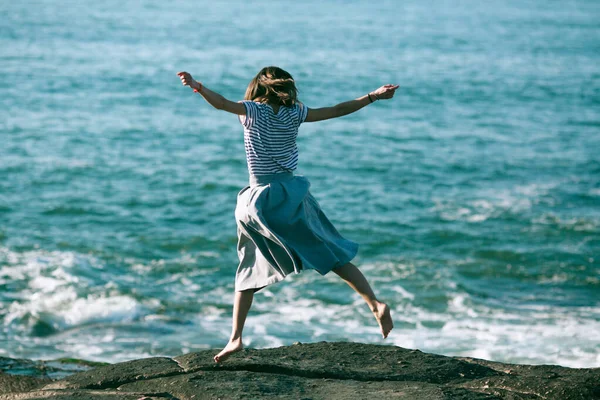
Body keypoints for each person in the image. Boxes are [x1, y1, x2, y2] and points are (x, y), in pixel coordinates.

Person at [177, 67, 398, 363]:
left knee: (248, 266)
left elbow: (222, 103)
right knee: (330, 252)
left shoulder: (252, 111)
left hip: (261, 200)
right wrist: (373, 96)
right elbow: (337, 109)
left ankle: (236, 337)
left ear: (257, 87)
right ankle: (375, 303)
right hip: (292, 194)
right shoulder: (295, 113)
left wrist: (198, 87)